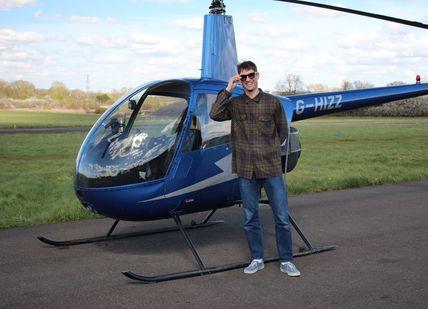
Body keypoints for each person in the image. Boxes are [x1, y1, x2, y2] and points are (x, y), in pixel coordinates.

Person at [209, 61, 300, 277]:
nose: (248, 80)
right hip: (245, 170)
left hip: (270, 168)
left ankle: (287, 260)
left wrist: (267, 150)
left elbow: (282, 131)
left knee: (281, 217)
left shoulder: (272, 102)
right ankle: (257, 258)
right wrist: (228, 89)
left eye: (251, 75)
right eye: (243, 77)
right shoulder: (235, 103)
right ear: (239, 79)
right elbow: (214, 113)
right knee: (250, 218)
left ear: (257, 75)